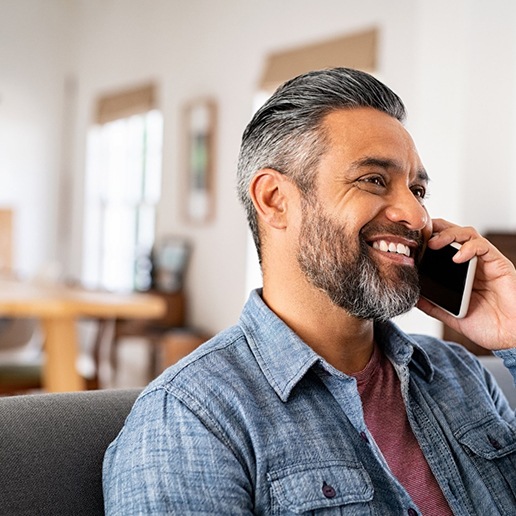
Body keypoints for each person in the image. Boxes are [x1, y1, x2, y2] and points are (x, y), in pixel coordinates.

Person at [103, 68, 516, 515]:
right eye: (374, 179)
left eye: (417, 190)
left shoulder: (461, 375)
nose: (416, 215)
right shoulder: (190, 419)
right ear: (275, 199)